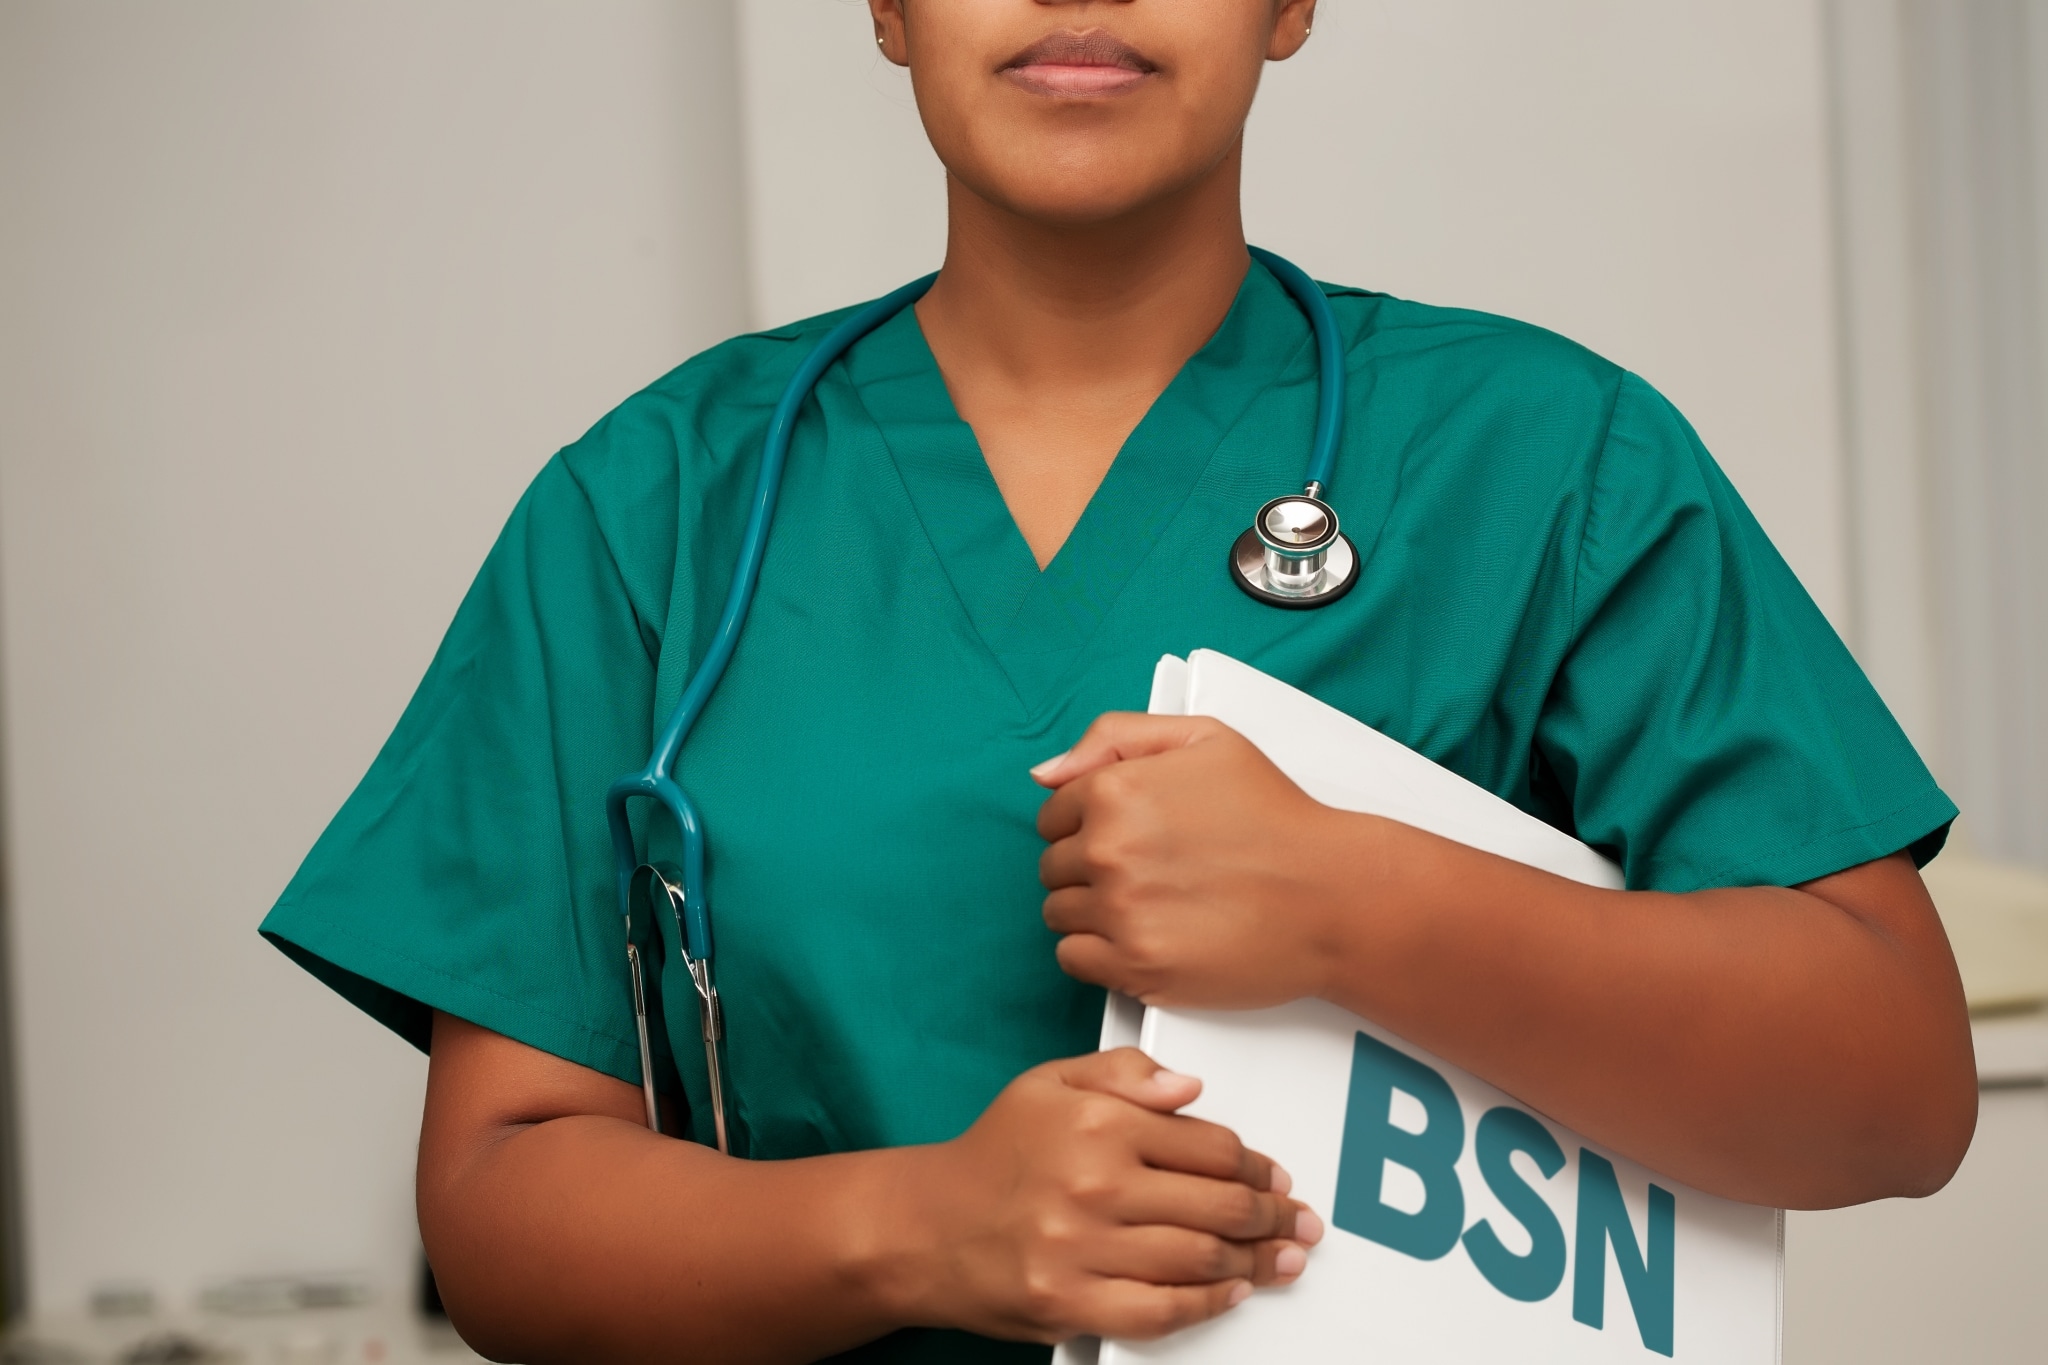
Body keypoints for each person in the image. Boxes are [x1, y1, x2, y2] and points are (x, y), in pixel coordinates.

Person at [260, 3, 1977, 1362]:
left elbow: (1890, 1088)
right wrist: (928, 1228)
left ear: (1291, 0)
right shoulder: (654, 507)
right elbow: (498, 1201)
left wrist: (1350, 900)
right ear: (884, 3)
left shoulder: (1546, 464)